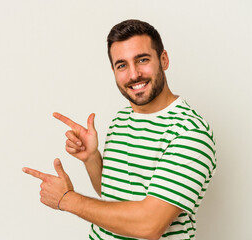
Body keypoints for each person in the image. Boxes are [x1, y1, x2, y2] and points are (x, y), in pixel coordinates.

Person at [23, 19, 216, 240]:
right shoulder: (122, 119)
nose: (134, 75)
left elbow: (149, 225)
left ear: (163, 60)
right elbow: (112, 197)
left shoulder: (190, 132)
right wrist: (91, 158)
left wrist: (66, 199)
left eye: (142, 60)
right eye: (122, 65)